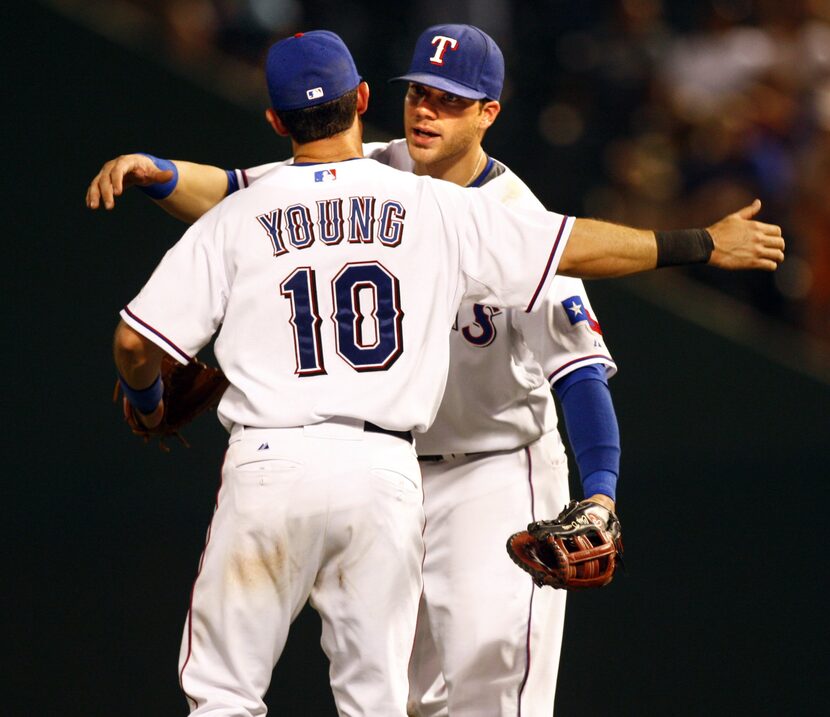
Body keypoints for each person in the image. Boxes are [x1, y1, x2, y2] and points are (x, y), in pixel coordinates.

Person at [90, 24, 785, 717]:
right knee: (409, 700)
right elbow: (241, 192)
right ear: (373, 98)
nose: (426, 110)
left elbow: (579, 370)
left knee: (490, 694)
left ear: (489, 113)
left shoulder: (511, 212)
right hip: (396, 471)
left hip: (496, 467)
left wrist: (600, 493)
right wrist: (162, 175)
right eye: (419, 92)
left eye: (450, 100)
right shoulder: (379, 167)